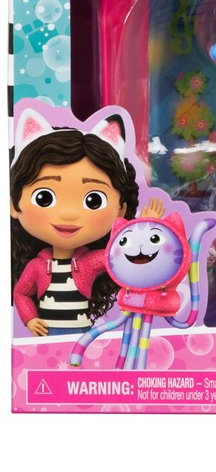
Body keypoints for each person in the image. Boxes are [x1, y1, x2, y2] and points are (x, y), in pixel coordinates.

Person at [10, 108, 138, 337]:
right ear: (13, 205)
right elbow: (20, 294)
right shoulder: (36, 267)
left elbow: (120, 256)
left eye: (93, 200)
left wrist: (150, 225)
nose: (68, 214)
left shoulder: (90, 262)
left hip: (82, 334)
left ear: (121, 210)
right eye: (44, 197)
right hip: (46, 336)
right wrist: (29, 319)